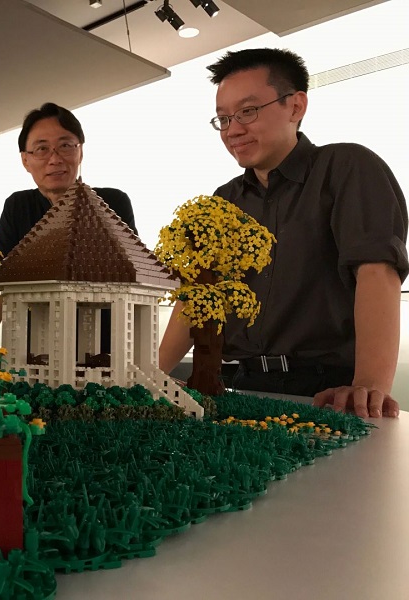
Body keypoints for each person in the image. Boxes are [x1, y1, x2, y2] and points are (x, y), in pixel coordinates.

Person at [158, 48, 408, 419]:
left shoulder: (346, 167)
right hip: (238, 384)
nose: (233, 130)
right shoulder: (223, 200)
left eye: (247, 111)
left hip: (325, 388)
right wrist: (148, 375)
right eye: (223, 119)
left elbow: (376, 271)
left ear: (296, 106)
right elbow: (197, 297)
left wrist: (368, 385)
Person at [0, 102, 138, 353]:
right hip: (31, 352)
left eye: (66, 146)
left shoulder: (112, 203)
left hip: (103, 354)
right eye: (42, 149)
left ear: (80, 152)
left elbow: (134, 287)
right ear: (26, 160)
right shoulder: (18, 206)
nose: (55, 159)